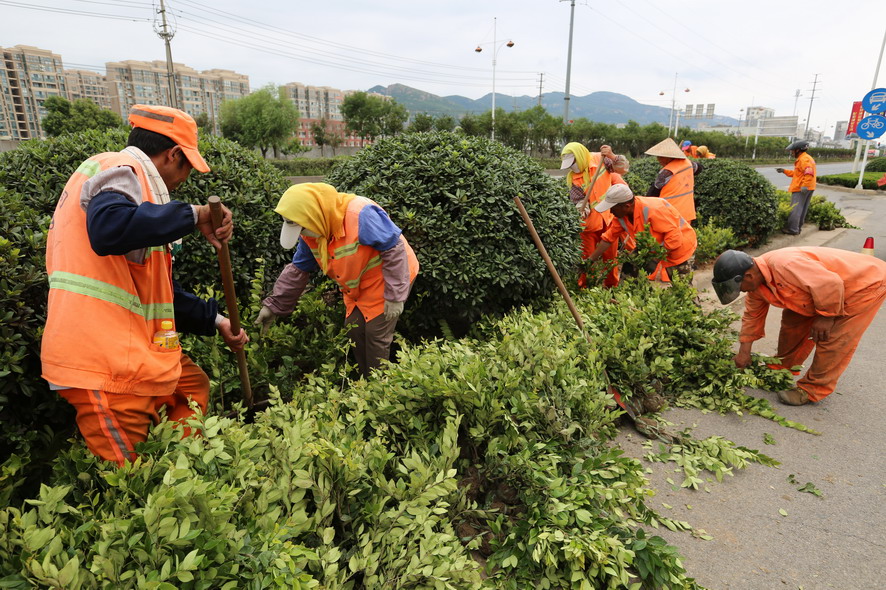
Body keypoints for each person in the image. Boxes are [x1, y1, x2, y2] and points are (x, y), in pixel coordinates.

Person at [41, 104, 248, 466]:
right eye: (187, 167)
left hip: (135, 349)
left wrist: (217, 321)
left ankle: (183, 467)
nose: (184, 179)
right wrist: (194, 214)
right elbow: (109, 228)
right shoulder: (120, 169)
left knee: (191, 386)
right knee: (130, 475)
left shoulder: (141, 200)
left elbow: (159, 291)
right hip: (102, 358)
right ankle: (163, 484)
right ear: (173, 155)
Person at [256, 183, 419, 377]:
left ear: (313, 215)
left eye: (302, 229)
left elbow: (394, 249)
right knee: (354, 330)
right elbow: (298, 269)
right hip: (359, 285)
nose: (302, 234)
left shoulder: (359, 215)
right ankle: (366, 382)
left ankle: (380, 388)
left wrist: (395, 296)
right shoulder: (314, 231)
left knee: (376, 336)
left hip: (388, 278)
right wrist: (273, 306)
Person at [711, 247, 886, 406]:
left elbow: (831, 284)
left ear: (749, 276)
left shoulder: (786, 265)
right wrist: (744, 353)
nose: (742, 291)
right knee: (792, 322)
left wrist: (826, 317)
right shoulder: (756, 285)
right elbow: (752, 318)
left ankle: (811, 390)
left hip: (863, 285)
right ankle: (783, 368)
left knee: (833, 338)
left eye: (740, 288)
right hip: (822, 293)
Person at [587, 184, 697, 282]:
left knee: (681, 286)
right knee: (630, 269)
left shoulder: (654, 209)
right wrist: (590, 260)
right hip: (652, 247)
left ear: (626, 206)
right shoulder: (621, 216)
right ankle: (626, 294)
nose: (610, 211)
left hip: (680, 247)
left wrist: (655, 259)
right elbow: (608, 238)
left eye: (612, 208)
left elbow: (674, 238)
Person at [560, 142, 622, 288]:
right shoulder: (574, 178)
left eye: (573, 162)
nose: (572, 167)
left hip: (608, 219)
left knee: (610, 258)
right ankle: (585, 288)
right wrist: (581, 208)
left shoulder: (601, 159)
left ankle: (611, 287)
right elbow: (578, 199)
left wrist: (612, 156)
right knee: (587, 258)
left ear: (580, 156)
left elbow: (622, 168)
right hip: (588, 225)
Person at [645, 137, 702, 223]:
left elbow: (652, 193)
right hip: (686, 214)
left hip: (669, 215)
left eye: (661, 157)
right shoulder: (688, 164)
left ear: (669, 157)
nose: (658, 159)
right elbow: (699, 168)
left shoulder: (666, 172)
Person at [776, 140, 816, 235]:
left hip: (801, 188)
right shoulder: (806, 158)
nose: (791, 152)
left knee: (795, 209)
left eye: (792, 150)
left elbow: (809, 173)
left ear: (798, 150)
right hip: (808, 187)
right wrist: (784, 171)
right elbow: (798, 174)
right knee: (802, 209)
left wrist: (804, 185)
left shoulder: (804, 159)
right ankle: (797, 228)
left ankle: (793, 229)